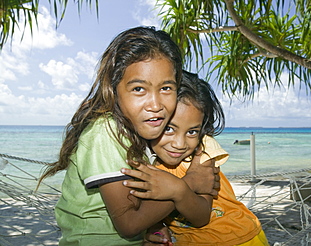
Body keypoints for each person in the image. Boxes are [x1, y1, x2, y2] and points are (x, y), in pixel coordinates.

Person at [37, 27, 219, 246]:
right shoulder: (106, 132)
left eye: (166, 88)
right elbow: (129, 222)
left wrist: (151, 228)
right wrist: (188, 183)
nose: (155, 105)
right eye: (139, 89)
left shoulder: (141, 134)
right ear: (114, 90)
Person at [123, 71, 269, 246]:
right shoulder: (144, 159)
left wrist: (179, 190)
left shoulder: (201, 153)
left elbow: (201, 216)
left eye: (192, 132)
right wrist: (155, 226)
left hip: (239, 237)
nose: (180, 143)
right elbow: (145, 210)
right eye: (169, 129)